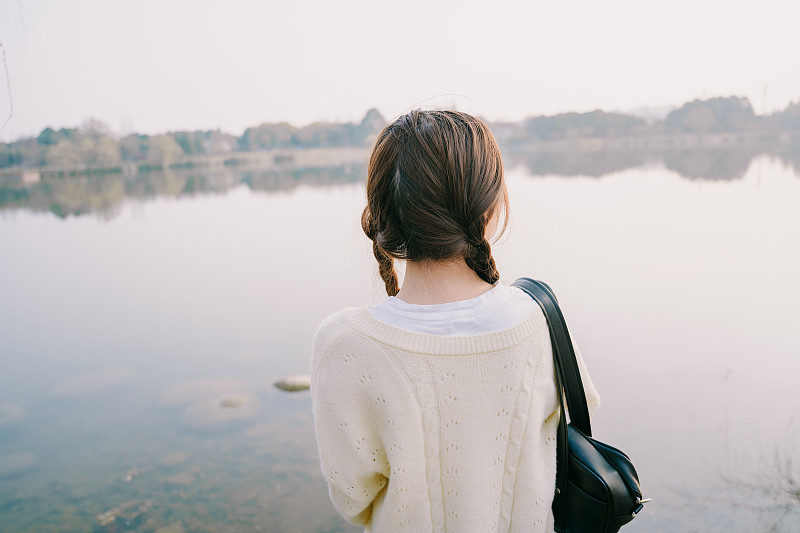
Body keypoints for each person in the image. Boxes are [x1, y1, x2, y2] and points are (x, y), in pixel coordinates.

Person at [311, 110, 600, 532]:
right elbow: (577, 421)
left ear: (381, 211)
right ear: (492, 205)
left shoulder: (344, 344)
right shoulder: (538, 317)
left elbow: (353, 497)